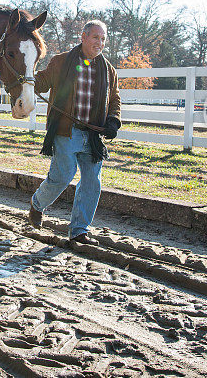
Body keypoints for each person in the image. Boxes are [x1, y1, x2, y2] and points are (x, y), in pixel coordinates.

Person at [28, 20, 121, 245]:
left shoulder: (108, 70)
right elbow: (40, 82)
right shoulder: (61, 62)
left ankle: (79, 230)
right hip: (65, 131)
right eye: (95, 37)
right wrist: (25, 74)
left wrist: (113, 119)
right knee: (63, 176)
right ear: (83, 37)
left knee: (92, 182)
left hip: (92, 136)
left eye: (103, 39)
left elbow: (114, 98)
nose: (99, 43)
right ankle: (37, 204)